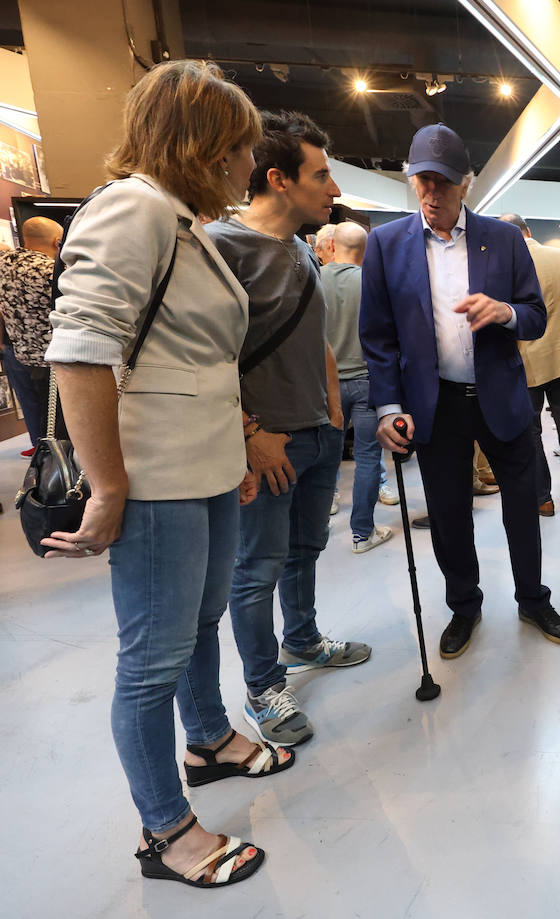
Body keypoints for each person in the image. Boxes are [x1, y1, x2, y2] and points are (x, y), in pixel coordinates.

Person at [43, 59, 282, 889]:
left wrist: (237, 446)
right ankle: (164, 826)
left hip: (202, 468)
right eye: (244, 147)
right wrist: (108, 486)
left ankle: (209, 737)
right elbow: (79, 351)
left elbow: (197, 360)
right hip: (153, 480)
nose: (252, 164)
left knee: (199, 620)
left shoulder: (183, 223)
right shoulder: (133, 210)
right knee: (149, 658)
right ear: (208, 145)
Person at [360, 123, 560, 660]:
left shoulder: (502, 240)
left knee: (522, 507)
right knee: (450, 514)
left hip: (503, 401)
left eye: (443, 182)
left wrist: (504, 312)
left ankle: (532, 597)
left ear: (466, 184)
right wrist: (387, 406)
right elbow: (378, 337)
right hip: (436, 407)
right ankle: (465, 606)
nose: (431, 193)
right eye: (421, 181)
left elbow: (535, 316)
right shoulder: (387, 245)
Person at [208, 110, 368, 748]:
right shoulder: (223, 246)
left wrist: (331, 408)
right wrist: (250, 433)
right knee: (257, 567)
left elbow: (315, 340)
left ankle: (302, 639)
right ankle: (262, 686)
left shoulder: (301, 247)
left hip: (316, 431)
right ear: (278, 178)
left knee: (304, 551)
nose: (333, 188)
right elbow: (207, 356)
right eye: (322, 175)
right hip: (265, 440)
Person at [499, 213, 560, 517]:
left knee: (531, 431)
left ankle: (543, 500)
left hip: (527, 363)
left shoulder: (505, 267)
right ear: (529, 230)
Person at [321, 220, 392, 553]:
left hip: (324, 387)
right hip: (367, 382)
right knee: (367, 459)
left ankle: (318, 525)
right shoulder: (374, 283)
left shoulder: (312, 279)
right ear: (365, 250)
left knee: (325, 458)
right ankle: (362, 535)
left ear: (332, 245)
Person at [0, 216, 63, 448]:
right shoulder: (49, 271)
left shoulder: (5, 264)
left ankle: (43, 467)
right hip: (54, 360)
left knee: (36, 418)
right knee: (60, 424)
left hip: (19, 354)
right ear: (57, 242)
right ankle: (61, 470)